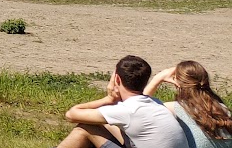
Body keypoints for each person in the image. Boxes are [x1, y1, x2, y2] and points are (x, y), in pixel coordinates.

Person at [58, 55, 189, 148]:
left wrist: (108, 99)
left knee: (85, 128)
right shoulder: (156, 103)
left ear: (118, 80)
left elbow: (71, 115)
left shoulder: (127, 111)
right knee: (107, 125)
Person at [146, 61, 232, 148]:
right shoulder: (221, 108)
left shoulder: (174, 108)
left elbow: (138, 107)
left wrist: (157, 79)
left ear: (177, 83)